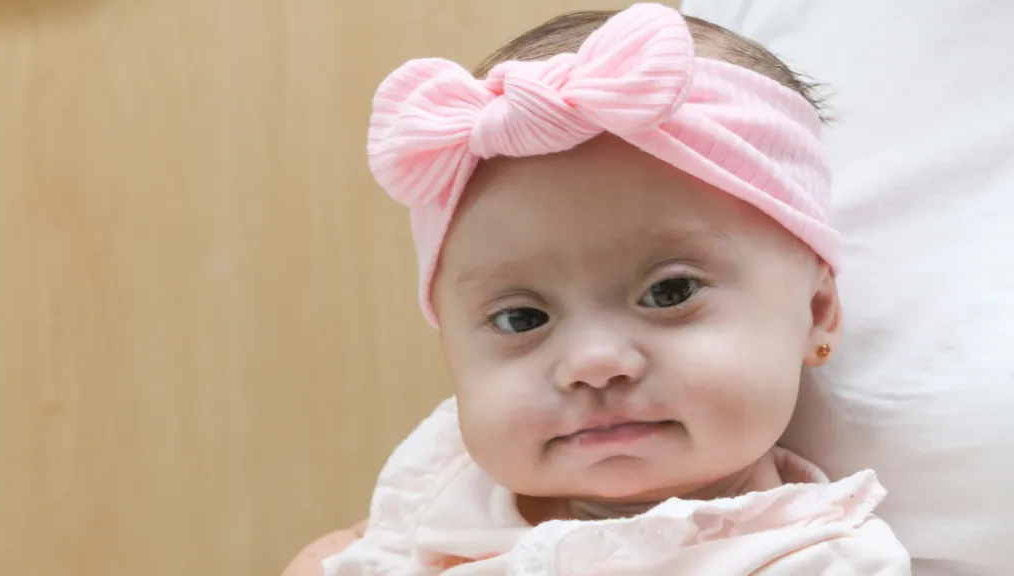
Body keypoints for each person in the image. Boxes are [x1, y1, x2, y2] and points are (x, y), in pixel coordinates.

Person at [292, 4, 911, 574]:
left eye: (670, 292)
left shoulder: (815, 560)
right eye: (521, 319)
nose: (593, 363)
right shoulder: (444, 488)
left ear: (816, 310)